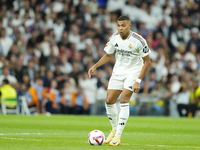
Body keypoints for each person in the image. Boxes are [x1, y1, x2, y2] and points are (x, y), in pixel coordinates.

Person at [88, 15, 151, 146]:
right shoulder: (114, 38)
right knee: (109, 101)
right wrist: (95, 66)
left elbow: (147, 61)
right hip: (118, 72)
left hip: (133, 72)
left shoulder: (138, 40)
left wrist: (138, 80)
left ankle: (118, 135)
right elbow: (108, 55)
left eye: (123, 25)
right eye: (118, 25)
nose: (120, 28)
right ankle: (114, 129)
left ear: (129, 26)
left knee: (124, 100)